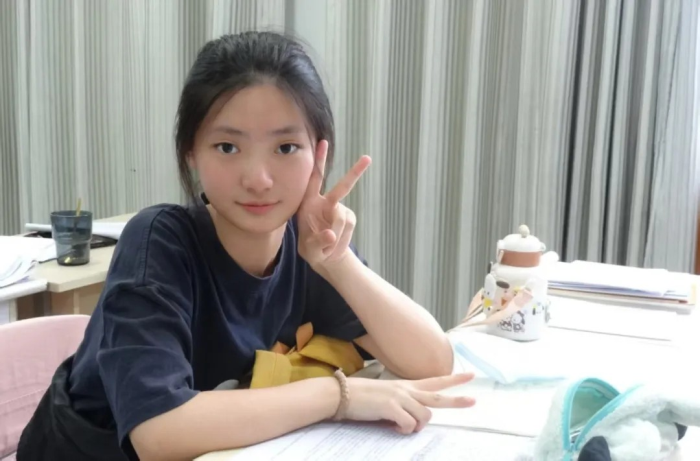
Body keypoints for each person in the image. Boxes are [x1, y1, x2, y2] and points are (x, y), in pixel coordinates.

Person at [17, 31, 475, 461]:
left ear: (319, 155)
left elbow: (431, 363)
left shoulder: (304, 246)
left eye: (286, 148)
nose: (258, 179)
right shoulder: (160, 242)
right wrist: (338, 395)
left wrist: (338, 265)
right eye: (227, 147)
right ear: (191, 153)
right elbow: (157, 432)